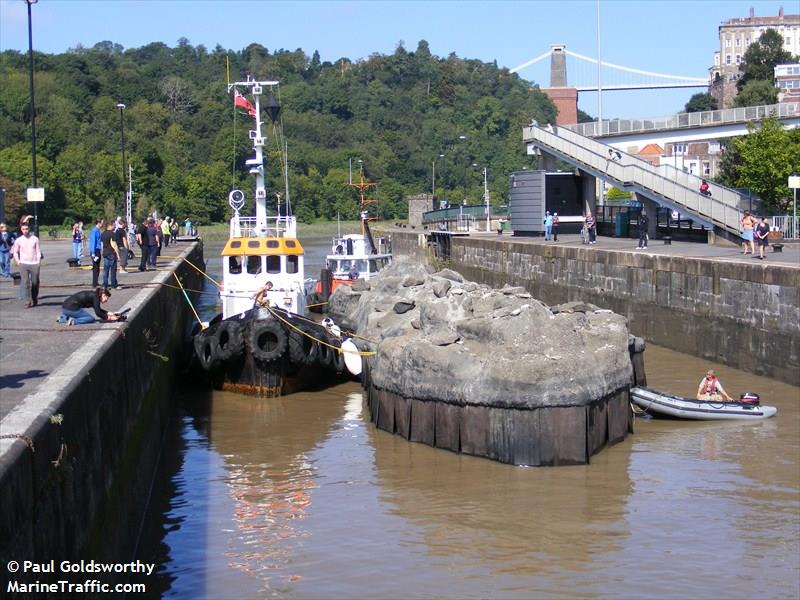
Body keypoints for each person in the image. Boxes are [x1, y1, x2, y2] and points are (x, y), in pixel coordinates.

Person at [10, 220, 41, 308]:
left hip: (34, 263)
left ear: (29, 229)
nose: (25, 231)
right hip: (23, 264)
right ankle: (27, 301)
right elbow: (15, 252)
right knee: (26, 282)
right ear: (21, 230)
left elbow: (38, 251)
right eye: (23, 229)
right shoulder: (18, 240)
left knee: (35, 283)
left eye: (26, 229)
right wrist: (18, 262)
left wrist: (38, 261)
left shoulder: (35, 239)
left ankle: (34, 298)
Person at [100, 221, 121, 289]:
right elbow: (114, 245)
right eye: (114, 225)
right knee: (113, 270)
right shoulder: (112, 234)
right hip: (111, 253)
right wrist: (118, 255)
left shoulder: (103, 234)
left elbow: (102, 244)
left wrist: (102, 252)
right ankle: (113, 285)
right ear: (110, 226)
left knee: (106, 270)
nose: (114, 227)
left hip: (105, 253)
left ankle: (104, 285)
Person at [89, 218, 103, 287]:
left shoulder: (98, 230)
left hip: (98, 249)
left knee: (97, 267)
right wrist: (93, 252)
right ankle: (94, 283)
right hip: (95, 250)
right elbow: (93, 241)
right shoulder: (95, 230)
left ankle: (96, 281)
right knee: (95, 267)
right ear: (98, 223)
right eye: (101, 223)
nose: (102, 224)